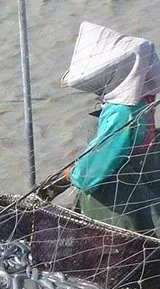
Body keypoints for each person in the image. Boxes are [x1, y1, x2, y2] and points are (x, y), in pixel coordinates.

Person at [37, 22, 160, 237]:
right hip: (141, 195)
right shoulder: (142, 102)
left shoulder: (122, 112)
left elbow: (92, 174)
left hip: (120, 208)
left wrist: (66, 177)